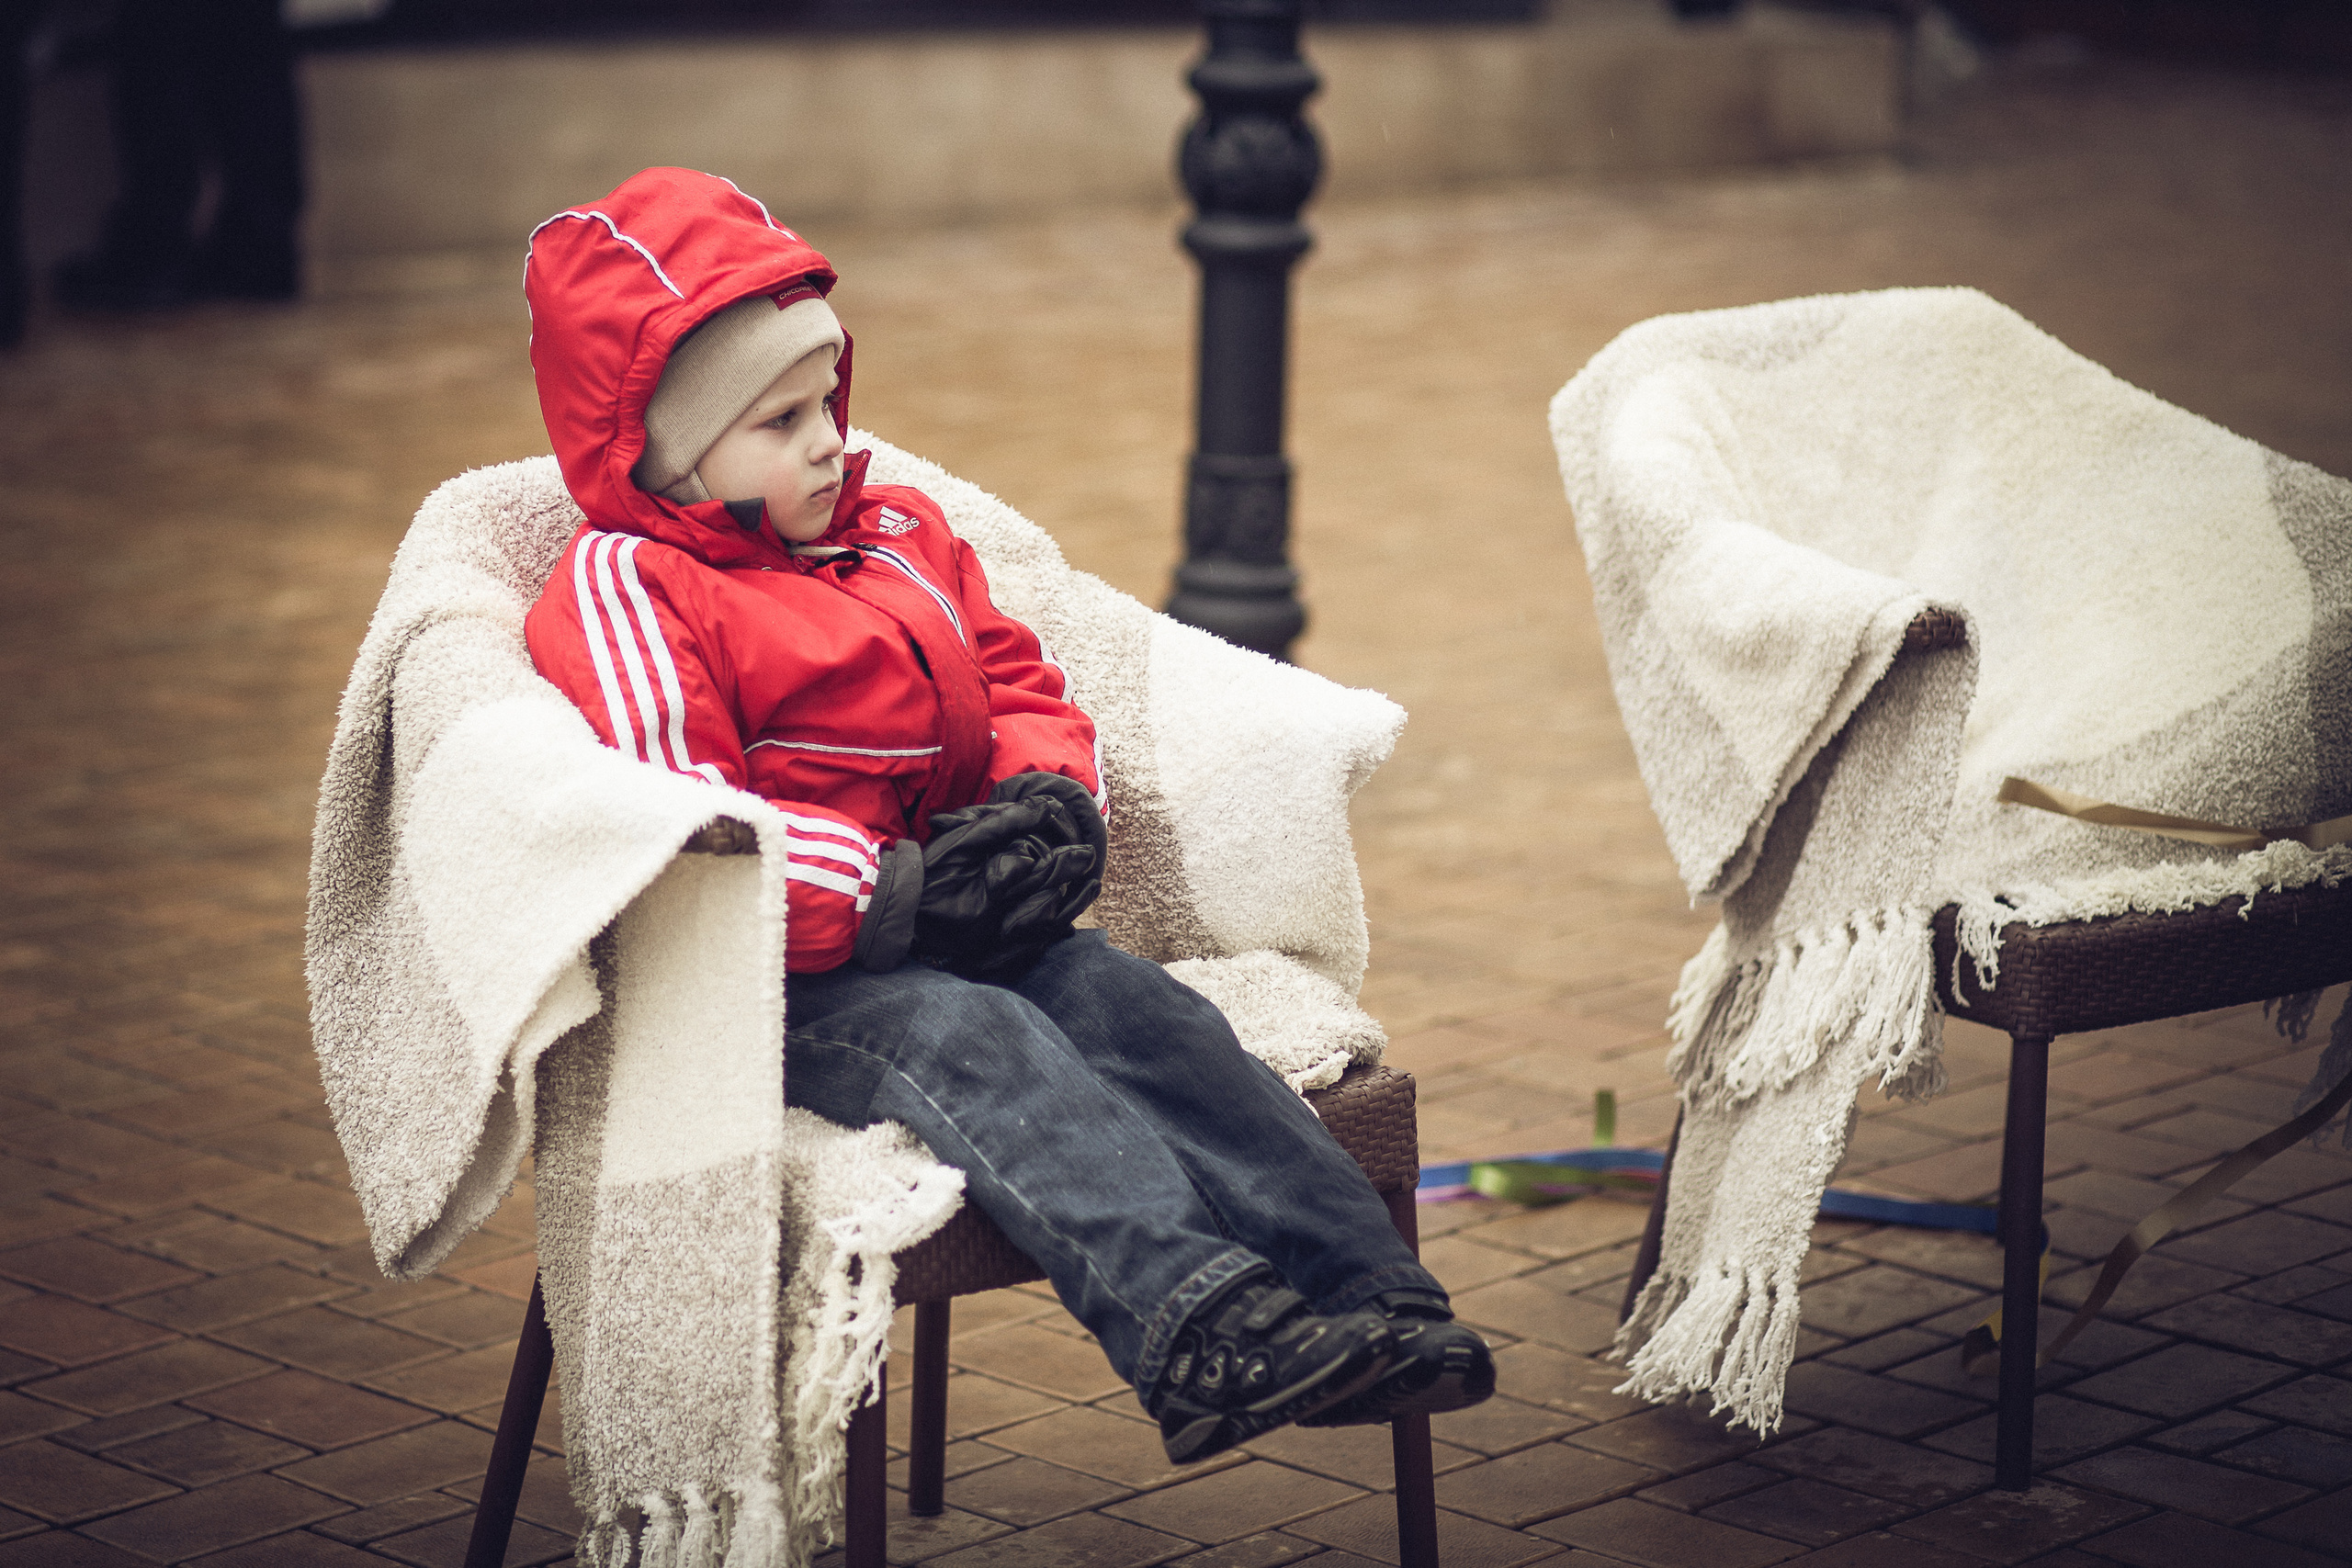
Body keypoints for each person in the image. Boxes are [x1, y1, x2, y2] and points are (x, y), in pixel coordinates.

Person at [520, 167, 1493, 1464]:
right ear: (666, 454)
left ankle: (1368, 1296)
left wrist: (1046, 806)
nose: (828, 440)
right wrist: (894, 889)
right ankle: (1198, 1323)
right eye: (778, 423)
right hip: (782, 981)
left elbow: (1022, 679)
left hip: (960, 917)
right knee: (981, 1039)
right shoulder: (633, 591)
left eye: (827, 401)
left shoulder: (897, 536)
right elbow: (685, 825)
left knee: (1154, 1019)